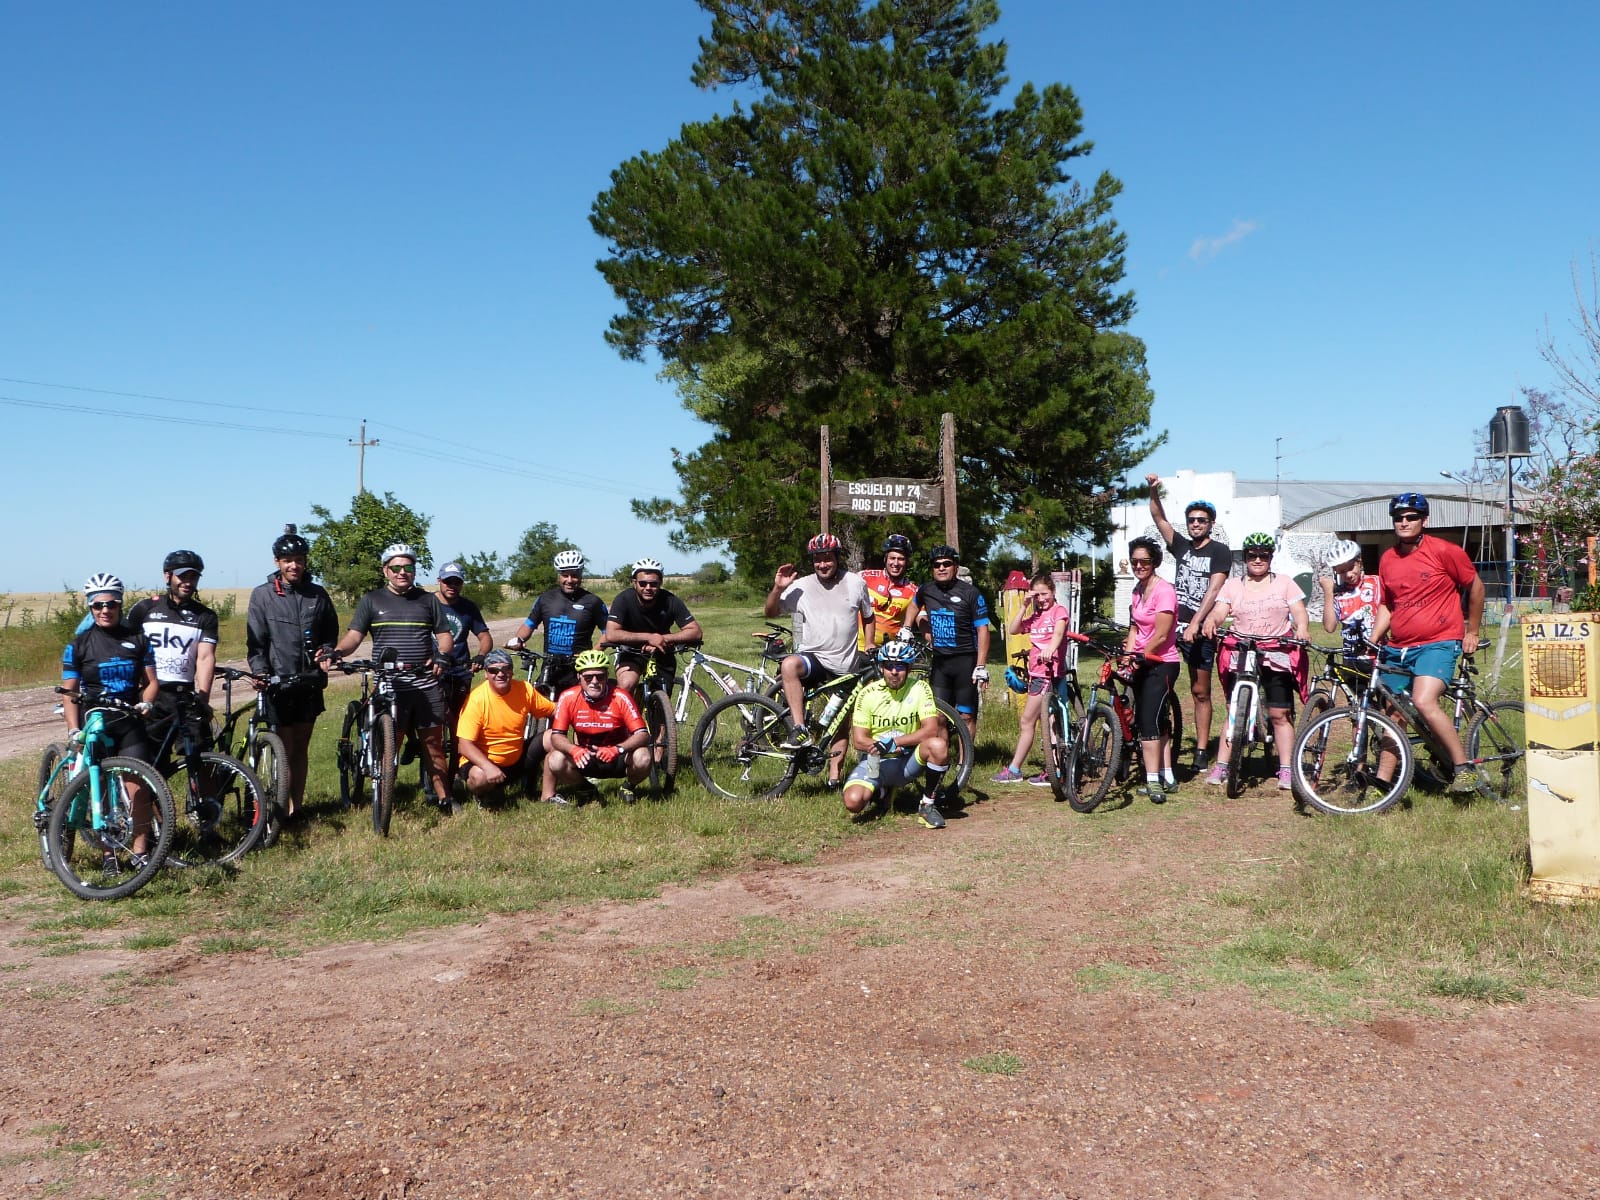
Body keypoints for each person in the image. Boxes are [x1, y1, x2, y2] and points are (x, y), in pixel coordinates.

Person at [326, 544, 456, 811]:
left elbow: (444, 635)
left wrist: (443, 655)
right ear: (386, 570)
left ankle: (444, 798)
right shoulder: (372, 600)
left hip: (423, 680)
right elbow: (354, 636)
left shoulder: (427, 600)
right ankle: (384, 797)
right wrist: (338, 652)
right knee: (390, 743)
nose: (402, 572)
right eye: (396, 567)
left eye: (408, 568)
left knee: (432, 744)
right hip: (389, 682)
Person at [1374, 492, 1487, 794]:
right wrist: (1372, 640)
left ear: (1424, 520)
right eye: (1399, 518)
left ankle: (1463, 768)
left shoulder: (1444, 551)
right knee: (1393, 712)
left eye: (1411, 517)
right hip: (1399, 647)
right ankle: (1383, 783)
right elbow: (1388, 605)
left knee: (1423, 701)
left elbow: (1475, 587)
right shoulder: (1388, 558)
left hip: (1438, 641)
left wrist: (1471, 630)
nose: (1404, 522)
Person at [1201, 532, 1310, 790]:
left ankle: (1286, 768)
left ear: (1270, 558)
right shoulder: (1233, 585)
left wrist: (1302, 628)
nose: (1258, 560)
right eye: (1253, 555)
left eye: (1263, 555)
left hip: (1276, 649)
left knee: (1279, 712)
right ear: (1246, 558)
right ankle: (1223, 765)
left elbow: (1299, 612)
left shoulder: (1284, 583)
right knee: (1234, 708)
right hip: (1243, 647)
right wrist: (1211, 621)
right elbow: (1219, 610)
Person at [61, 573, 160, 856]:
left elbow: (152, 682)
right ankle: (109, 853)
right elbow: (70, 693)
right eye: (98, 605)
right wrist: (72, 729)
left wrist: (147, 703)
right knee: (100, 787)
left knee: (138, 788)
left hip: (129, 719)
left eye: (111, 604)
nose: (105, 610)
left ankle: (141, 852)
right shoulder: (78, 645)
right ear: (90, 608)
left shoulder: (138, 640)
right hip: (95, 722)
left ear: (120, 604)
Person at [246, 524, 340, 821]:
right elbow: (256, 642)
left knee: (301, 746)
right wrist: (261, 673)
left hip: (309, 681)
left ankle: (296, 808)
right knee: (283, 747)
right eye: (288, 560)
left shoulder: (317, 594)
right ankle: (279, 809)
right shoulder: (263, 596)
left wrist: (325, 652)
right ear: (277, 562)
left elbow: (329, 632)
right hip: (279, 682)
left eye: (299, 559)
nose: (294, 565)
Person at [765, 533, 874, 779]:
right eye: (817, 559)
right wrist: (778, 588)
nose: (822, 564)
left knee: (840, 723)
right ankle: (799, 728)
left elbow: (868, 616)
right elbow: (771, 611)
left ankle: (834, 776)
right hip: (814, 659)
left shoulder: (856, 583)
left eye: (827, 558)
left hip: (845, 664)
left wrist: (868, 644)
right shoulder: (801, 586)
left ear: (837, 558)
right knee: (790, 664)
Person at [1147, 475, 1231, 772]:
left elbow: (1214, 590)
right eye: (1192, 520)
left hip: (1199, 627)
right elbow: (1159, 519)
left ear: (1211, 523)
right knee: (1160, 684)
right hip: (1174, 626)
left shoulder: (1219, 551)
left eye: (1202, 520)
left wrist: (1196, 623)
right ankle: (1161, 738)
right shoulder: (1181, 546)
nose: (1196, 524)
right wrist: (1153, 491)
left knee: (1200, 691)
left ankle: (1201, 748)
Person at [840, 640, 952, 829]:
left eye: (899, 666)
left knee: (938, 745)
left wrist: (894, 742)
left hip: (909, 760)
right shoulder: (868, 694)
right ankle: (882, 791)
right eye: (889, 666)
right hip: (877, 762)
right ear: (882, 668)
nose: (894, 671)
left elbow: (931, 730)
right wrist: (882, 746)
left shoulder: (920, 688)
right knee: (853, 802)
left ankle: (927, 805)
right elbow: (859, 741)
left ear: (908, 668)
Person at [126, 550, 218, 754]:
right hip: (151, 697)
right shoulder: (144, 608)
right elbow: (125, 649)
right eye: (182, 576)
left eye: (193, 577)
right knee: (149, 765)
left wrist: (203, 700)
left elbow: (205, 658)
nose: (188, 582)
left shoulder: (206, 616)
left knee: (203, 759)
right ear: (167, 576)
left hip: (185, 696)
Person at [903, 544, 990, 740]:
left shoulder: (970, 593)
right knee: (939, 717)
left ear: (956, 567)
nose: (941, 568)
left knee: (966, 716)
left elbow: (983, 630)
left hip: (965, 661)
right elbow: (914, 605)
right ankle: (941, 761)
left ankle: (963, 763)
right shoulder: (926, 589)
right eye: (936, 565)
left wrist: (981, 665)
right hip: (941, 662)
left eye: (946, 564)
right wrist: (907, 627)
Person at [544, 648, 651, 807]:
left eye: (600, 676)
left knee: (643, 756)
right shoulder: (568, 697)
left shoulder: (620, 696)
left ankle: (628, 787)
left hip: (616, 757)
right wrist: (574, 750)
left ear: (607, 676)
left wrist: (617, 749)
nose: (594, 681)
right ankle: (586, 788)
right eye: (588, 677)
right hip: (586, 757)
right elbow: (557, 736)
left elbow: (643, 734)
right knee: (555, 759)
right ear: (579, 677)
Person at [992, 573, 1069, 785]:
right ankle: (1054, 769)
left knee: (1028, 721)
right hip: (1036, 673)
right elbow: (1014, 629)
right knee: (1051, 722)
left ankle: (1015, 769)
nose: (1041, 599)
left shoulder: (1059, 611)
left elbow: (1059, 634)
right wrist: (1024, 605)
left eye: (1045, 594)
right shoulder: (1035, 616)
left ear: (1053, 592)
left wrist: (1050, 650)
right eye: (1037, 595)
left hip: (1047, 674)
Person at [1121, 537, 1182, 803]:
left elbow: (1161, 634)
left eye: (1144, 561)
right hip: (1140, 660)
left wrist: (1140, 656)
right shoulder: (1137, 590)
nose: (1138, 565)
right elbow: (1135, 627)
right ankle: (1167, 774)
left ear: (1154, 562)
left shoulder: (1164, 590)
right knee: (1157, 721)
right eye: (1134, 561)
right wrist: (1128, 654)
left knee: (1148, 720)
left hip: (1161, 662)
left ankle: (1152, 781)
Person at [454, 648, 556, 801]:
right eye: (494, 670)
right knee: (479, 777)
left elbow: (554, 710)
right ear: (486, 674)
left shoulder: (524, 689)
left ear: (512, 671)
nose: (500, 674)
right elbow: (464, 745)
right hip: (484, 763)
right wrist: (488, 766)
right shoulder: (476, 700)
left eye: (505, 668)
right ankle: (482, 794)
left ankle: (547, 794)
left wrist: (579, 707)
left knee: (553, 737)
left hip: (517, 758)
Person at [506, 550, 609, 697]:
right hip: (550, 664)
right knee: (542, 706)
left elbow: (608, 633)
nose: (569, 580)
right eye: (565, 575)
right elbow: (529, 624)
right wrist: (519, 639)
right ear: (558, 576)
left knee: (578, 709)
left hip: (579, 666)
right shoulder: (545, 599)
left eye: (574, 575)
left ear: (581, 575)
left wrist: (593, 653)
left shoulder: (593, 602)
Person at [604, 558, 703, 698]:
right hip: (632, 652)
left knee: (661, 705)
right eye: (643, 583)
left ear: (660, 583)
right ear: (634, 583)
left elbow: (696, 631)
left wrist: (662, 638)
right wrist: (649, 637)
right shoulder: (623, 599)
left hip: (662, 651)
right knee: (626, 685)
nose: (648, 588)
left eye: (653, 584)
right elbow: (611, 634)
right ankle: (624, 717)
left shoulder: (671, 600)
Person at [1319, 539, 1382, 678]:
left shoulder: (1376, 583)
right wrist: (1328, 593)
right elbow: (1329, 627)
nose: (1348, 574)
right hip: (1351, 657)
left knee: (1384, 698)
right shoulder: (1338, 593)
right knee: (1357, 699)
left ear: (1359, 562)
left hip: (1378, 654)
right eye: (1341, 571)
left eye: (1350, 567)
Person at [858, 533, 918, 650]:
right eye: (892, 558)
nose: (895, 563)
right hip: (853, 649)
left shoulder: (913, 591)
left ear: (907, 562)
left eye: (901, 559)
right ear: (885, 559)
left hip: (887, 654)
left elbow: (922, 617)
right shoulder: (865, 577)